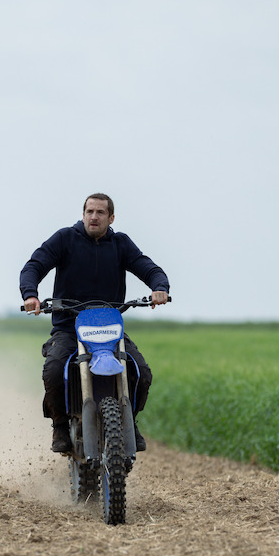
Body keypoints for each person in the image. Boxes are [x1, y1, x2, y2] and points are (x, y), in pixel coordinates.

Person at [19, 193, 170, 453]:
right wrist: (31, 294)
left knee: (141, 373)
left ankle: (129, 419)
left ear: (111, 218)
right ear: (83, 214)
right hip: (69, 327)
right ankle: (60, 426)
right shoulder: (65, 239)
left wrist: (160, 287)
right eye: (89, 211)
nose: (94, 217)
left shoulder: (121, 244)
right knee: (54, 370)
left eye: (100, 212)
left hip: (109, 329)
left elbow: (149, 268)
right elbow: (34, 266)